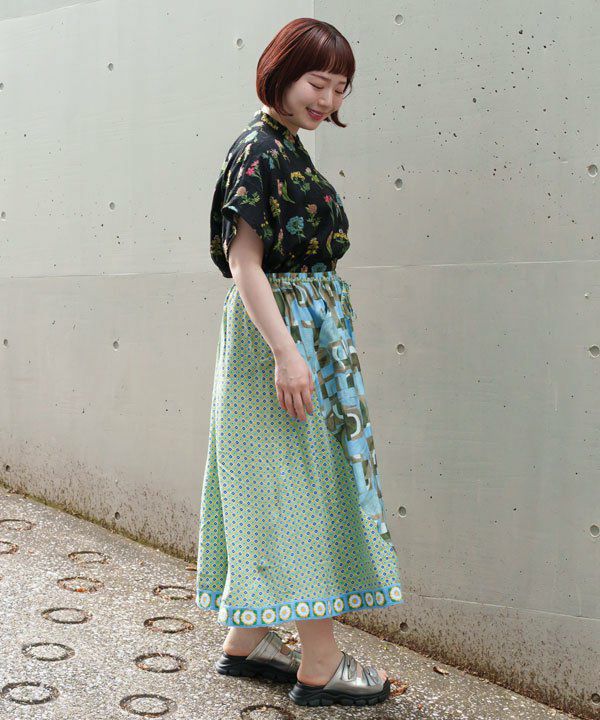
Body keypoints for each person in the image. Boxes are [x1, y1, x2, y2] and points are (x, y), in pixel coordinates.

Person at [196, 17, 404, 707]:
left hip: (306, 337)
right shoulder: (259, 151)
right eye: (318, 81)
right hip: (281, 344)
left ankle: (247, 639)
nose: (329, 99)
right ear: (281, 72)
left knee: (287, 482)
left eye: (341, 88)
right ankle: (320, 662)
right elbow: (243, 264)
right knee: (299, 490)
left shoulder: (285, 146)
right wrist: (288, 355)